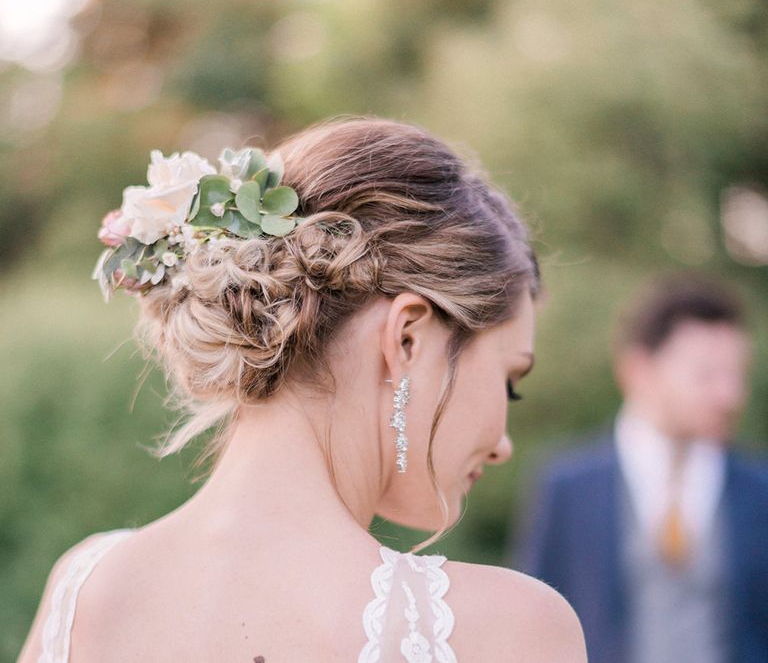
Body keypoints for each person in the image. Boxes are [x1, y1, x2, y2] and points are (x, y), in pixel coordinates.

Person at [17, 116, 587, 662]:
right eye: (510, 383)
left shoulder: (84, 591)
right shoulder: (506, 630)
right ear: (407, 338)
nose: (502, 444)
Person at [513, 273, 768, 663]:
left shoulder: (759, 488)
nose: (729, 395)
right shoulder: (567, 487)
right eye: (707, 375)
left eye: (736, 374)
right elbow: (531, 623)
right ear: (639, 370)